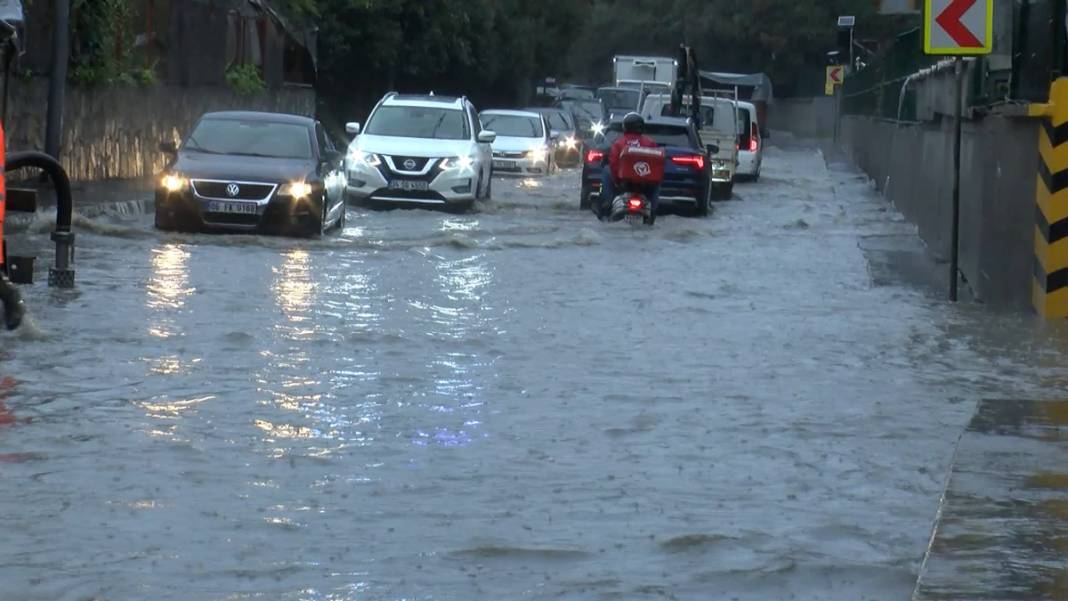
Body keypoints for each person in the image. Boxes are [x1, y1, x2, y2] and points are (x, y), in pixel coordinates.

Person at [598, 112, 660, 219]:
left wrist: (617, 181)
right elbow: (657, 165)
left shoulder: (619, 143)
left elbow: (613, 164)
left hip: (623, 184)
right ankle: (654, 209)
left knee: (606, 170)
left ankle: (607, 201)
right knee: (657, 184)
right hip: (645, 186)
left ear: (625, 126)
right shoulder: (650, 143)